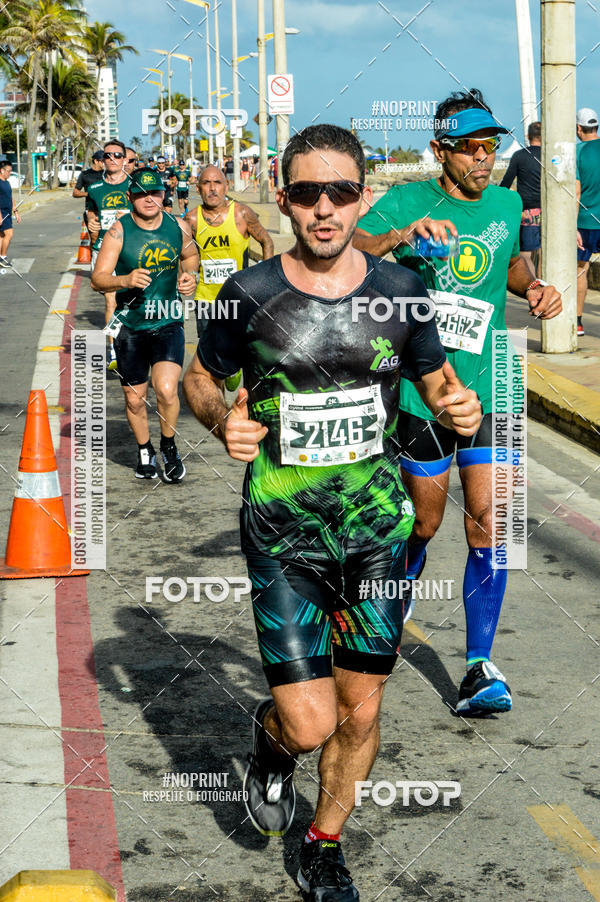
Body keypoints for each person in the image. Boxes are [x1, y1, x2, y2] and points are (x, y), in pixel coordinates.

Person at [183, 123, 481, 902]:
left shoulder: (400, 292)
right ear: (282, 200)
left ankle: (323, 844)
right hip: (284, 533)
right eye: (308, 193)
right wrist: (225, 424)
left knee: (360, 709)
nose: (325, 207)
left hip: (376, 532)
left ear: (362, 199)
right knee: (311, 723)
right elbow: (198, 381)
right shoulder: (246, 296)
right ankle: (273, 741)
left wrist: (459, 407)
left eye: (341, 192)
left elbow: (437, 378)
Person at [354, 89, 562, 716]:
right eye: (470, 148)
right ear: (440, 149)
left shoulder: (504, 201)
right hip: (425, 388)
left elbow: (511, 268)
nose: (483, 159)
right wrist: (401, 235)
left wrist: (537, 288)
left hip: (494, 377)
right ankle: (395, 591)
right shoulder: (408, 199)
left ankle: (478, 668)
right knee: (422, 522)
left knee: (492, 527)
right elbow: (349, 255)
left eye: (490, 147)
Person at [91, 167, 199, 482]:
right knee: (134, 399)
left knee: (166, 389)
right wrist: (124, 279)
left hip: (167, 320)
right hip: (130, 326)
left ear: (164, 194)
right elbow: (98, 279)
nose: (149, 199)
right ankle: (144, 449)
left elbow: (191, 256)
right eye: (141, 193)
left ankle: (168, 445)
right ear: (130, 197)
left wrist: (188, 276)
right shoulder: (117, 232)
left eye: (154, 192)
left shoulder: (178, 226)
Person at [185, 164, 273, 340]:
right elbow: (185, 255)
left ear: (226, 186)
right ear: (197, 188)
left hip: (239, 297)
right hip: (205, 299)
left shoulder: (241, 213)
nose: (212, 188)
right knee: (208, 355)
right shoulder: (191, 219)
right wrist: (188, 275)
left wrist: (266, 280)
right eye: (206, 183)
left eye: (217, 183)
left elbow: (267, 242)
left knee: (240, 352)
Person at [86, 139, 133, 371]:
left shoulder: (135, 186)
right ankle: (113, 348)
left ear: (124, 159)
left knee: (133, 299)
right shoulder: (94, 189)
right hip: (104, 250)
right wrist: (91, 224)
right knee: (111, 300)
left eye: (116, 155)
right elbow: (91, 213)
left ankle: (134, 342)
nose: (112, 159)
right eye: (107, 155)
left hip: (131, 250)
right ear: (102, 160)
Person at [500, 120, 541, 277]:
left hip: (528, 213)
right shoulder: (551, 155)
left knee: (525, 255)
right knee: (544, 254)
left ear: (528, 136)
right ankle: (544, 286)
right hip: (549, 211)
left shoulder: (519, 156)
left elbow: (506, 184)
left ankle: (534, 289)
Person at [576, 107, 600, 337]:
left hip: (584, 222)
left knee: (580, 271)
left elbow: (576, 190)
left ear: (578, 128)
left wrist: (571, 224)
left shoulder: (578, 151)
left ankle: (578, 322)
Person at [72, 150, 105, 232]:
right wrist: (89, 193)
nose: (105, 163)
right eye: (103, 161)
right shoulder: (85, 174)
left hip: (106, 209)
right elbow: (75, 193)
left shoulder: (107, 174)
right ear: (96, 161)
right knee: (94, 237)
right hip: (91, 210)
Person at [0, 160, 21, 267]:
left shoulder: (7, 183)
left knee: (2, 236)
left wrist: (15, 212)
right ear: (1, 170)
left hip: (7, 213)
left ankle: (0, 258)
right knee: (9, 234)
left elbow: (10, 198)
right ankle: (3, 257)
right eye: (8, 171)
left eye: (10, 171)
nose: (9, 173)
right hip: (1, 213)